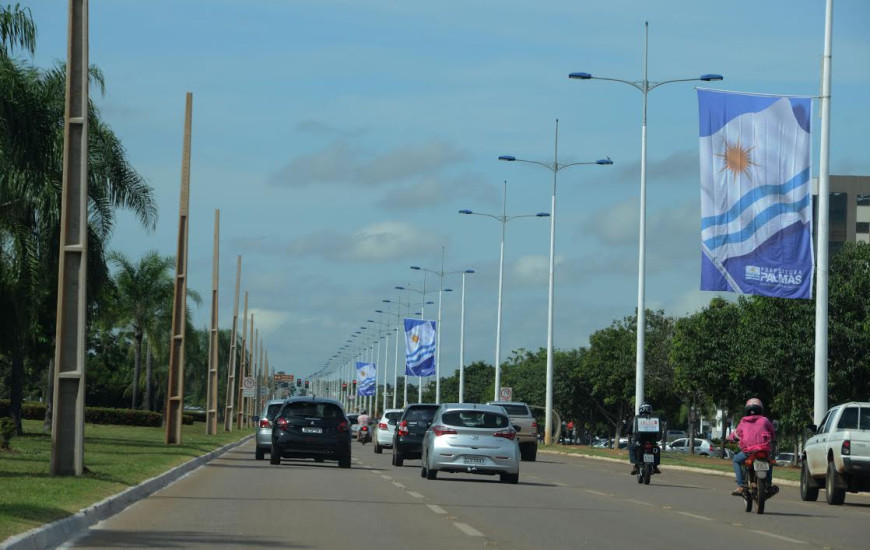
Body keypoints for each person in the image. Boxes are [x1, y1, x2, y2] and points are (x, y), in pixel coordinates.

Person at [729, 397, 779, 497]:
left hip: (748, 452)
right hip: (763, 451)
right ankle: (768, 484)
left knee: (736, 460)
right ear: (760, 409)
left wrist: (730, 438)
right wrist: (773, 438)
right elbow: (773, 433)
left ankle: (741, 486)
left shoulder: (743, 422)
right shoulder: (765, 420)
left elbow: (735, 434)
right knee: (769, 463)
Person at [622, 402, 662, 475]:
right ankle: (655, 466)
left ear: (641, 410)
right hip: (652, 442)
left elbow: (628, 430)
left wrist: (626, 429)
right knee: (657, 449)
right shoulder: (655, 419)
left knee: (631, 448)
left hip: (640, 442)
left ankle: (635, 465)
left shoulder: (636, 419)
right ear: (650, 410)